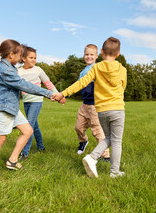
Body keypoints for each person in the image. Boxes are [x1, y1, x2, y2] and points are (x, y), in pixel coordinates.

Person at [52, 37, 127, 178]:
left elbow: (80, 84)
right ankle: (114, 172)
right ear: (118, 54)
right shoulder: (122, 69)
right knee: (116, 140)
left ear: (102, 52)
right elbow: (123, 87)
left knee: (108, 138)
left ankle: (92, 158)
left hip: (101, 110)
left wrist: (62, 94)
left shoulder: (96, 68)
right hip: (117, 108)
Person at [0, 39, 53, 176]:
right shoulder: (4, 70)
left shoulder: (10, 68)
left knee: (27, 131)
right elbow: (23, 85)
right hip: (2, 109)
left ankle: (12, 160)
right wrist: (48, 93)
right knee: (0, 139)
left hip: (11, 107)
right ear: (11, 54)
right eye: (20, 55)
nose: (21, 58)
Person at [17, 46, 65, 159]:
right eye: (31, 57)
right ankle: (41, 147)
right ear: (23, 58)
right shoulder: (18, 71)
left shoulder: (38, 70)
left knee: (28, 126)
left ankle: (24, 153)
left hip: (37, 101)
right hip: (26, 101)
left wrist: (59, 95)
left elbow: (48, 84)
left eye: (35, 57)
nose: (34, 60)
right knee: (34, 125)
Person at [74, 44, 110, 161]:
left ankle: (105, 156)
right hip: (84, 105)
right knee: (78, 127)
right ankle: (83, 141)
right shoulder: (82, 72)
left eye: (91, 54)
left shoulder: (98, 68)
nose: (88, 57)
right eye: (86, 54)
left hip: (95, 106)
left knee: (98, 131)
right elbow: (78, 85)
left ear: (96, 56)